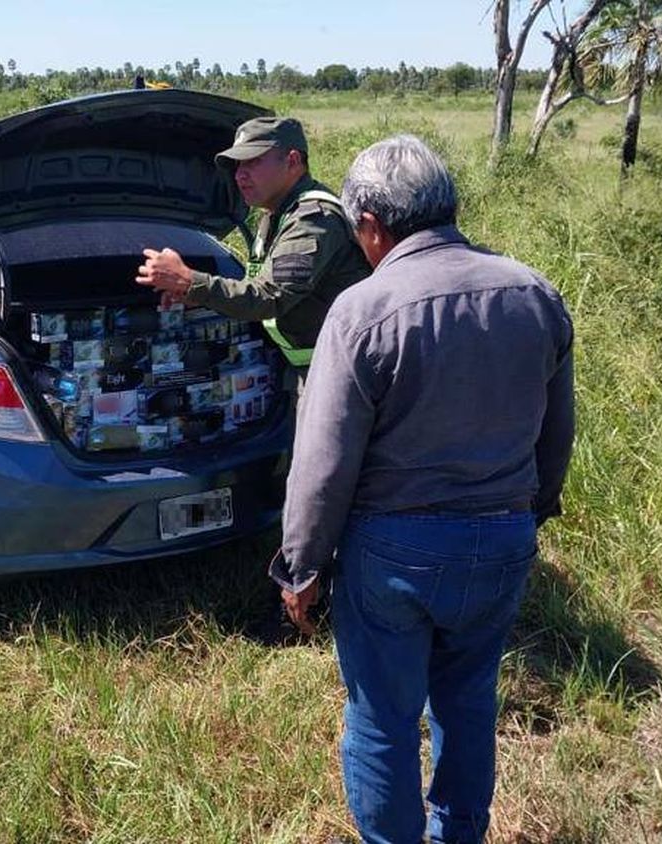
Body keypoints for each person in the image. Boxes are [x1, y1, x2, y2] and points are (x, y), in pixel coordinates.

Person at [274, 135, 575, 843]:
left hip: (395, 553)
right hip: (502, 537)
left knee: (382, 718)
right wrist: (529, 515)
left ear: (372, 226)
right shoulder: (534, 293)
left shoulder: (361, 311)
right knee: (469, 704)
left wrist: (301, 567)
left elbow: (322, 465)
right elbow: (555, 434)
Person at [134, 116, 371, 389]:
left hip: (341, 373)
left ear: (292, 161)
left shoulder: (313, 219)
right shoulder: (275, 214)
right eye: (237, 165)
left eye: (253, 162)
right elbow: (256, 286)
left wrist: (190, 282)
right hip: (312, 367)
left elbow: (269, 297)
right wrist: (198, 296)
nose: (239, 175)